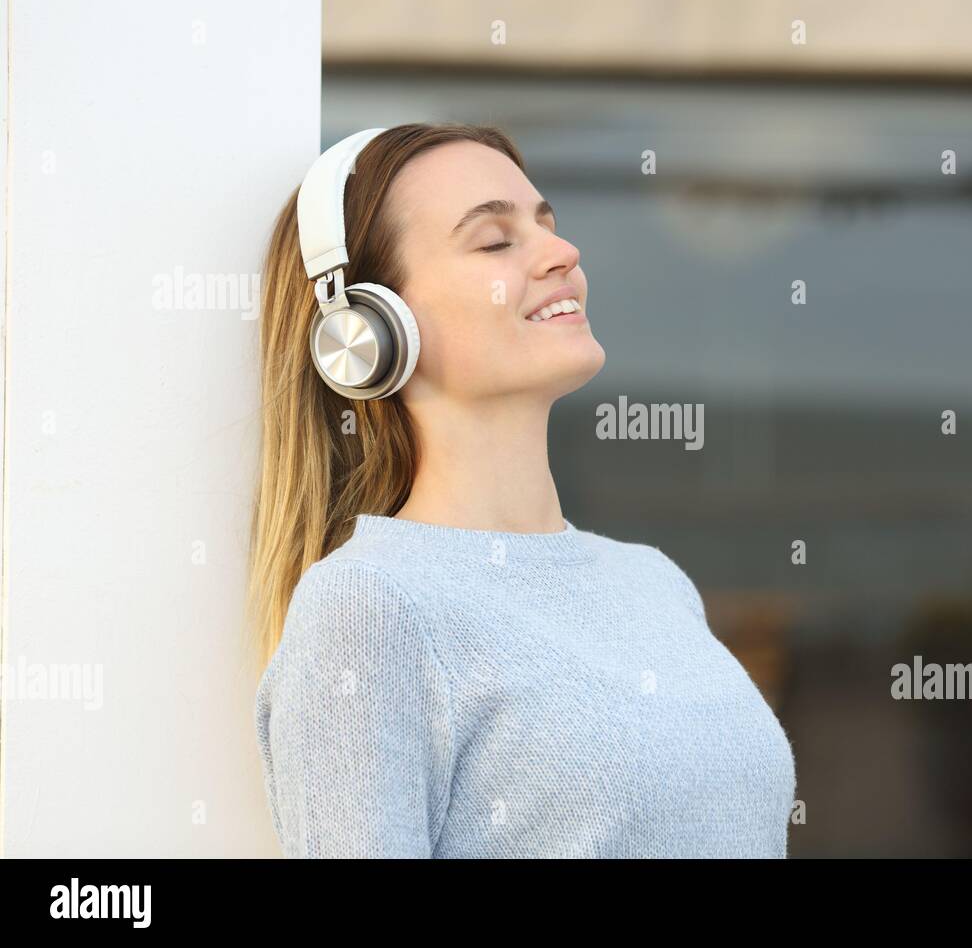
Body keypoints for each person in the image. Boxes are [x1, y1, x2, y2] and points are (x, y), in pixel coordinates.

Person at [247, 122, 797, 857]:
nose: (562, 254)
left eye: (546, 224)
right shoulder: (370, 606)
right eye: (495, 241)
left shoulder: (653, 582)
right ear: (367, 329)